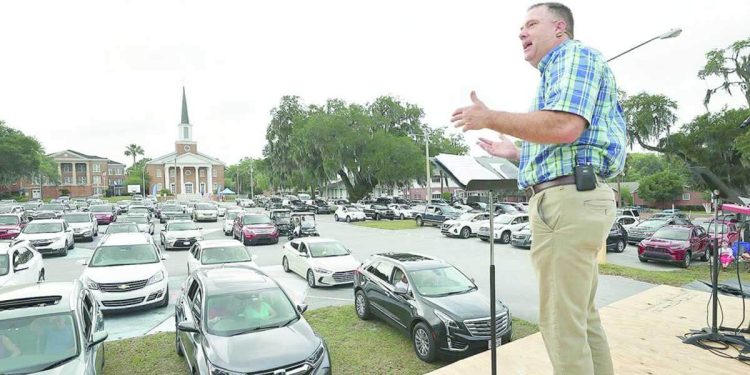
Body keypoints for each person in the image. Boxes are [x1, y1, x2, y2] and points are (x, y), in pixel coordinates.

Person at [451, 3, 624, 374]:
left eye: (531, 24)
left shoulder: (572, 56)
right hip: (577, 197)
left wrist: (490, 116)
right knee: (580, 317)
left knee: (561, 324)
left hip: (568, 203)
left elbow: (564, 127)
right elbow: (566, 141)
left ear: (559, 28)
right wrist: (516, 151)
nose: (521, 32)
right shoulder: (557, 72)